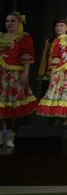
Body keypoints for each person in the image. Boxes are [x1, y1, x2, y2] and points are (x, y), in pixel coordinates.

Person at [0, 12, 38, 147]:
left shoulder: (23, 37)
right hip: (1, 76)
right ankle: (1, 136)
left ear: (19, 23)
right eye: (7, 21)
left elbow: (27, 56)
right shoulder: (1, 36)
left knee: (12, 107)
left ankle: (9, 136)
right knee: (1, 107)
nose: (9, 23)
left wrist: (26, 73)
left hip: (14, 75)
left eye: (12, 21)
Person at [37, 19, 67, 97]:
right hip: (49, 73)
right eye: (56, 26)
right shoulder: (50, 41)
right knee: (47, 95)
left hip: (64, 73)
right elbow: (44, 57)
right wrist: (42, 72)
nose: (58, 28)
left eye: (61, 25)